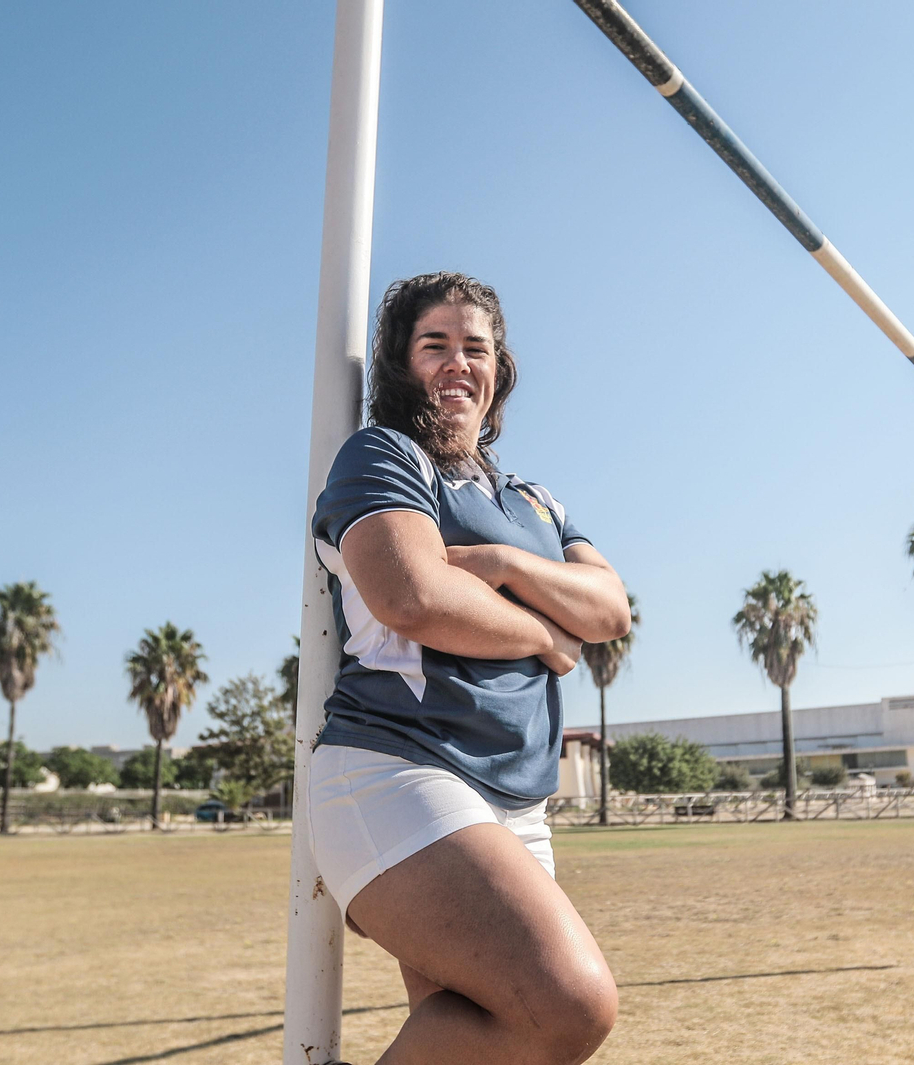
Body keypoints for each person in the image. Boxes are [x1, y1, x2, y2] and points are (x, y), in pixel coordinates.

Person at [308, 272, 629, 1065]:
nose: (458, 362)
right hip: (397, 771)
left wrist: (494, 561)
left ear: (499, 368)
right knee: (568, 1003)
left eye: (475, 347)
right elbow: (412, 593)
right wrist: (547, 639)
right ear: (399, 363)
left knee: (484, 1035)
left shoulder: (537, 502)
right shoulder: (384, 455)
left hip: (519, 800)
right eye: (435, 344)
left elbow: (610, 608)